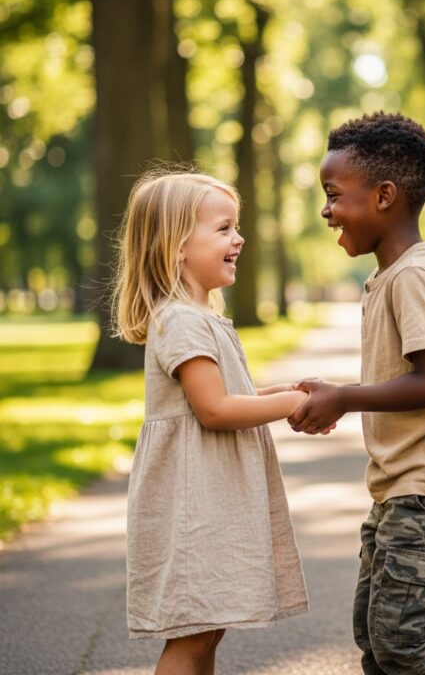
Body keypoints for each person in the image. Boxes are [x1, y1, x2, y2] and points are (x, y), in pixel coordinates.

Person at [287, 112, 425, 674]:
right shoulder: (389, 275)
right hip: (403, 485)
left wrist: (345, 397)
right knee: (375, 636)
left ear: (384, 196)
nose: (326, 209)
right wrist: (328, 394)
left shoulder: (412, 277)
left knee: (401, 638)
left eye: (334, 195)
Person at [112, 169, 312, 675]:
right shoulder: (180, 320)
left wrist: (284, 393)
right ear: (177, 246)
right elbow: (215, 409)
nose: (238, 238)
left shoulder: (198, 317)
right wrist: (288, 405)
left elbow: (228, 396)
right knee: (194, 636)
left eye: (235, 227)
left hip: (209, 499)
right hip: (192, 506)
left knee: (208, 629)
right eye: (223, 229)